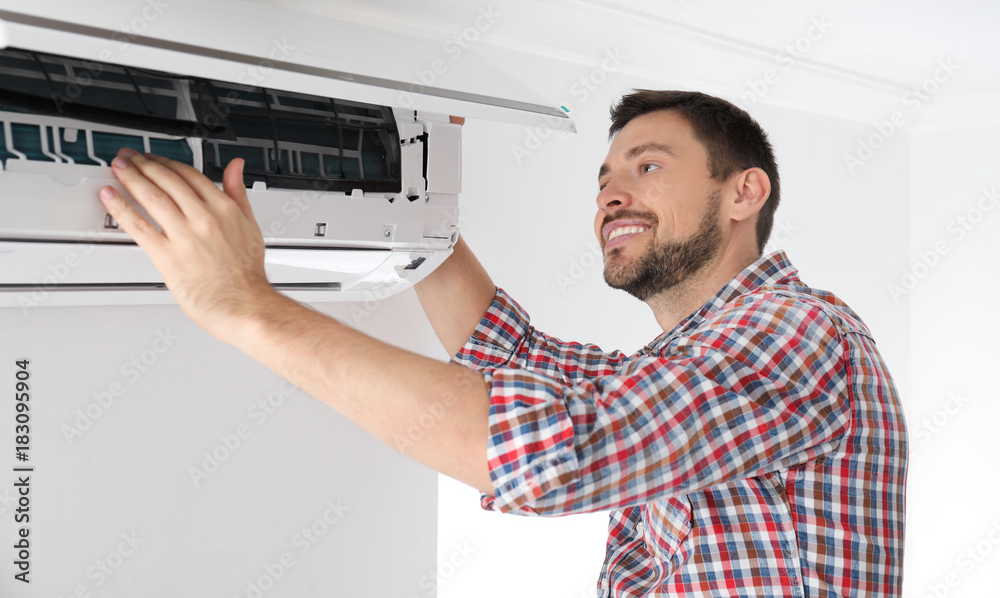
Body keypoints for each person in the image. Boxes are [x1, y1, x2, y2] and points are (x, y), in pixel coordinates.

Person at [99, 89, 907, 597]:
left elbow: (563, 447)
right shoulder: (696, 364)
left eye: (648, 165)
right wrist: (407, 203)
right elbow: (515, 354)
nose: (610, 193)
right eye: (601, 177)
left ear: (744, 191)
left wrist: (242, 304)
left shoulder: (796, 332)